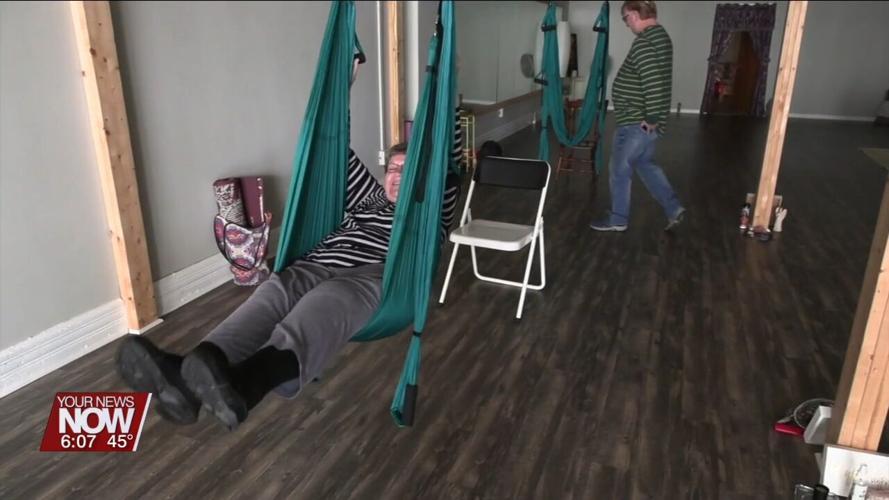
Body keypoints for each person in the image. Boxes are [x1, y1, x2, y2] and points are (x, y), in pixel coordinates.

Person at [117, 53, 462, 431]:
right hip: (318, 263)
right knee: (273, 294)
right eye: (393, 168)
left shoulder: (431, 209)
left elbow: (450, 160)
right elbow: (329, 147)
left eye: (408, 169)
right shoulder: (369, 196)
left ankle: (249, 382)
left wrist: (448, 82)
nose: (398, 176)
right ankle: (187, 378)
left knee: (328, 301)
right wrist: (340, 89)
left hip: (381, 274)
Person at [590, 0, 685, 233]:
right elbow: (657, 81)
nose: (626, 24)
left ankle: (618, 219)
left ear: (633, 15)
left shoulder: (644, 42)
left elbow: (653, 82)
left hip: (636, 122)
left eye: (625, 19)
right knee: (644, 164)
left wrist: (651, 118)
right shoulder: (661, 37)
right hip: (646, 124)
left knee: (619, 170)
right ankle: (673, 208)